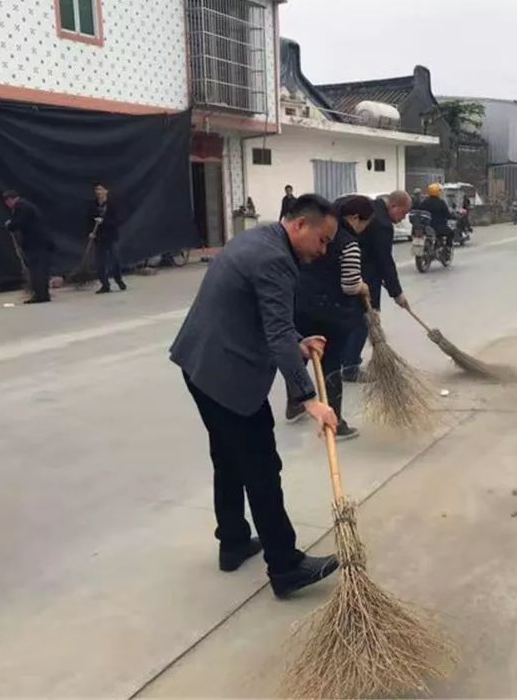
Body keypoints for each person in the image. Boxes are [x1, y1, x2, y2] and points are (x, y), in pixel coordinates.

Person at [169, 194, 341, 597]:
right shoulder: (275, 261)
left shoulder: (259, 239)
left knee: (227, 458)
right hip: (227, 375)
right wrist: (308, 397)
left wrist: (299, 341)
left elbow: (267, 319)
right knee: (262, 468)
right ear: (300, 226)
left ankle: (232, 542)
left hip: (200, 364)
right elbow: (277, 331)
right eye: (323, 240)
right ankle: (285, 567)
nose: (324, 250)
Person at [285, 194, 376, 438]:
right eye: (365, 223)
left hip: (301, 304)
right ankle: (334, 423)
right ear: (355, 218)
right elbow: (349, 284)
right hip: (331, 312)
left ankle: (295, 404)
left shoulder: (309, 238)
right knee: (331, 364)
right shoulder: (348, 243)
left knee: (300, 355)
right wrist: (363, 287)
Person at [343, 190, 411, 382]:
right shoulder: (382, 224)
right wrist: (397, 293)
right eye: (403, 213)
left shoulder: (372, 209)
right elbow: (385, 262)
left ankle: (346, 362)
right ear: (394, 206)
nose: (403, 218)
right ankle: (350, 368)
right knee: (362, 323)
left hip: (351, 274)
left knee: (352, 321)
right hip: (363, 279)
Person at [3, 189, 53, 304]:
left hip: (36, 242)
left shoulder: (21, 207)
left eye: (7, 202)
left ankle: (40, 294)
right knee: (41, 269)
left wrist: (10, 225)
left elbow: (18, 222)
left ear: (11, 200)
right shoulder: (27, 205)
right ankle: (43, 294)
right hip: (40, 241)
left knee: (37, 269)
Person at [90, 182, 127, 294]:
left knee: (115, 260)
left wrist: (104, 221)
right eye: (96, 190)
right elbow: (88, 220)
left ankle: (119, 280)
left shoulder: (112, 205)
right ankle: (105, 285)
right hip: (99, 238)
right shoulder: (93, 206)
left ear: (106, 191)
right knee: (100, 263)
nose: (98, 192)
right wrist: (90, 232)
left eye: (100, 189)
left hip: (111, 237)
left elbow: (118, 220)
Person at [422, 183, 455, 248]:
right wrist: (454, 217)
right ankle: (447, 249)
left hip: (426, 226)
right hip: (438, 227)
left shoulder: (425, 202)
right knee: (451, 233)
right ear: (438, 192)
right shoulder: (441, 202)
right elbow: (447, 214)